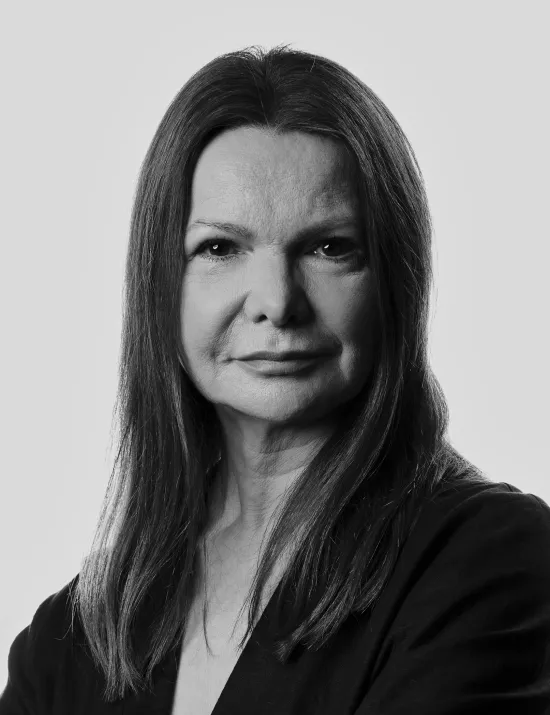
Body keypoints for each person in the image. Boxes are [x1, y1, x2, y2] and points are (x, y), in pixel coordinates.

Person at [2, 43, 550, 715]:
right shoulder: (77, 635)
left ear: (394, 282)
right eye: (220, 248)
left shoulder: (490, 559)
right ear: (160, 284)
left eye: (329, 247)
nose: (276, 301)